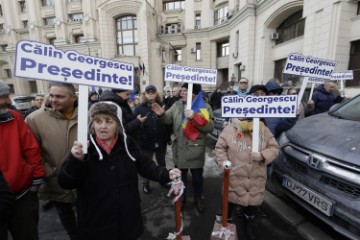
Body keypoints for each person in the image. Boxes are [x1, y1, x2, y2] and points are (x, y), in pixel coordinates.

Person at [58, 102, 181, 240]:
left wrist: (166, 174)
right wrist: (75, 160)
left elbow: (145, 165)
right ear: (92, 124)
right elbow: (65, 182)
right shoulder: (84, 148)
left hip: (126, 215)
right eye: (98, 121)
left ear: (118, 124)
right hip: (97, 219)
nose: (103, 126)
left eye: (109, 121)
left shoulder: (127, 143)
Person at [26, 83, 80, 240]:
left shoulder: (86, 115)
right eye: (52, 95)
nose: (53, 99)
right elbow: (30, 153)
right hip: (54, 179)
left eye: (60, 96)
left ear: (73, 98)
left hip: (82, 178)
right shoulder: (34, 119)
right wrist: (51, 171)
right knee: (64, 212)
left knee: (86, 210)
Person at [151, 83, 214, 213]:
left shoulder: (204, 107)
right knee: (181, 176)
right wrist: (162, 115)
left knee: (197, 178)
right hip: (179, 148)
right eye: (182, 90)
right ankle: (182, 197)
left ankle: (198, 197)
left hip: (195, 148)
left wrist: (193, 117)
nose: (182, 93)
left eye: (185, 91)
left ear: (194, 94)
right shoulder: (177, 105)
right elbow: (167, 119)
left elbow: (209, 127)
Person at [215, 117, 279, 240]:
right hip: (234, 177)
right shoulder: (230, 129)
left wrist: (262, 155)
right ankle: (226, 223)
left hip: (255, 179)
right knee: (229, 204)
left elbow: (274, 148)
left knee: (251, 206)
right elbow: (220, 147)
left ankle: (248, 224)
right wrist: (224, 164)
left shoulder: (263, 129)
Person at [0, 80, 44, 240]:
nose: (9, 101)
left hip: (22, 195)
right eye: (4, 97)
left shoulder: (15, 117)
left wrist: (36, 180)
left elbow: (31, 149)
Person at [133, 85, 170, 194]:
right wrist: (139, 124)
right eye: (148, 92)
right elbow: (133, 125)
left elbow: (168, 123)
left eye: (153, 92)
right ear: (145, 94)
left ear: (156, 93)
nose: (151, 94)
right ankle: (146, 184)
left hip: (161, 140)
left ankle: (163, 179)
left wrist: (168, 138)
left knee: (162, 163)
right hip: (146, 142)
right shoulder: (139, 108)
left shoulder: (163, 105)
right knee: (146, 164)